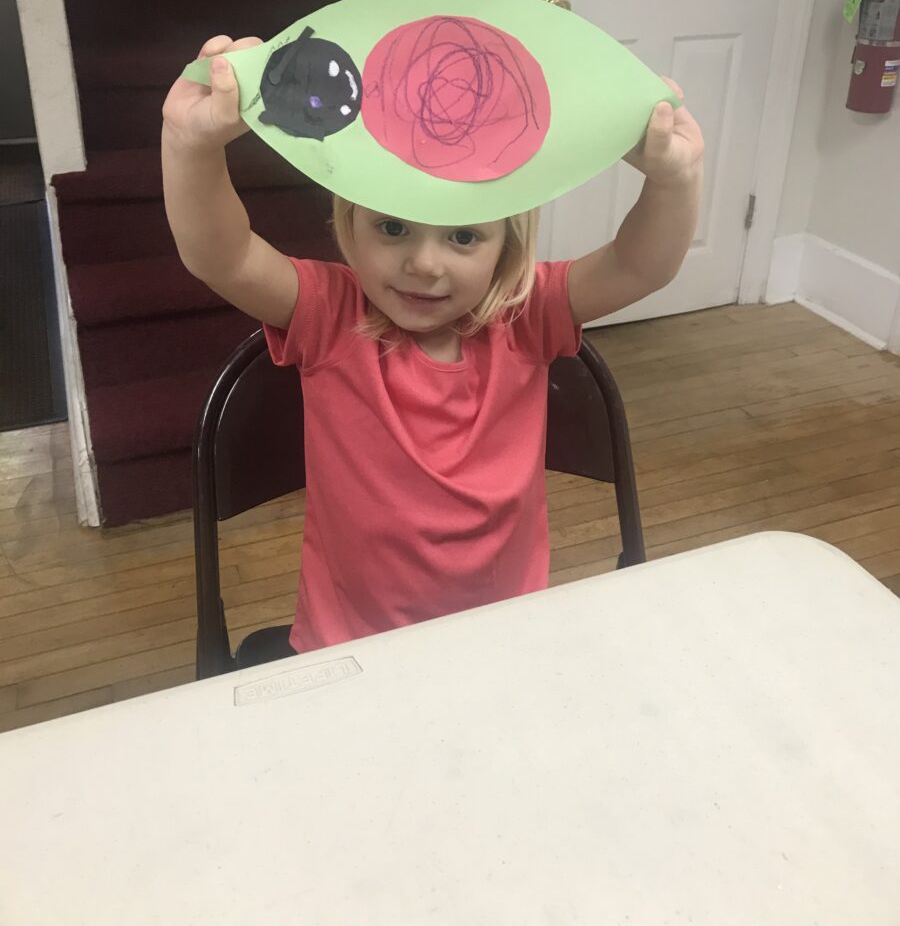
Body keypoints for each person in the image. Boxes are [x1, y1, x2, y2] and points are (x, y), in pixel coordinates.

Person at [163, 33, 704, 653]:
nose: (424, 264)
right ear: (350, 225)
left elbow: (642, 265)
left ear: (508, 243)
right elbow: (222, 255)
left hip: (502, 643)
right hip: (353, 649)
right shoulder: (329, 314)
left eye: (464, 237)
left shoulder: (526, 315)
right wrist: (190, 147)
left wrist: (675, 182)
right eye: (392, 227)